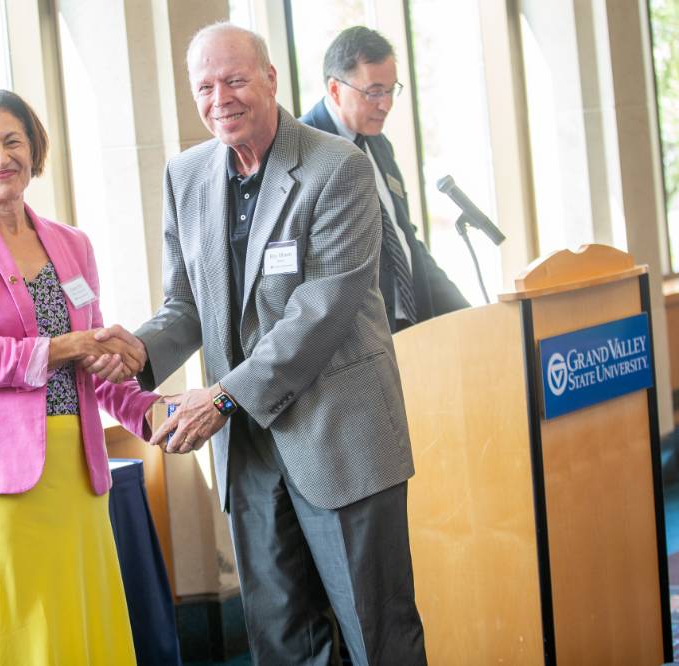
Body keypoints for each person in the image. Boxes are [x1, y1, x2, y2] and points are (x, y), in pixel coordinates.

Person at [88, 22, 426, 665]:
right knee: (282, 639)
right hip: (249, 448)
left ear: (271, 79)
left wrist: (220, 397)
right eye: (205, 87)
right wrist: (137, 351)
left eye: (236, 80)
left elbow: (320, 314)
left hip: (339, 435)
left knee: (377, 633)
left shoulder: (338, 167)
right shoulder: (185, 176)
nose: (221, 99)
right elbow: (187, 303)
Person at [0, 88, 158, 665]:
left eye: (12, 141)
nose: (0, 158)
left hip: (75, 472)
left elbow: (96, 367)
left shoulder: (72, 245)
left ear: (33, 148)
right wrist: (70, 345)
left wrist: (153, 413)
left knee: (79, 628)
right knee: (16, 638)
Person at [300, 26, 468, 333]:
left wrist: (464, 315)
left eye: (391, 90)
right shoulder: (303, 151)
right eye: (374, 92)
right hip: (360, 338)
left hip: (412, 326)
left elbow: (403, 238)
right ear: (335, 89)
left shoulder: (377, 141)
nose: (386, 104)